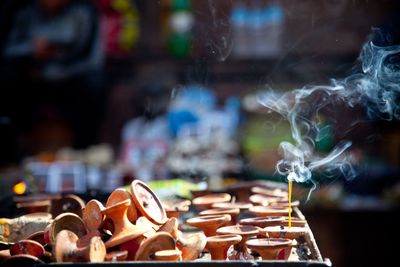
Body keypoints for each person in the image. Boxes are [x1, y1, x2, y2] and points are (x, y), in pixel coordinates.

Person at [0, 0, 105, 151]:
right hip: (32, 81)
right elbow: (8, 50)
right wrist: (31, 50)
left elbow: (92, 61)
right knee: (7, 76)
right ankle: (12, 148)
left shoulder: (84, 12)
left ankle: (84, 150)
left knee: (94, 82)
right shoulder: (24, 11)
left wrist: (53, 70)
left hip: (70, 80)